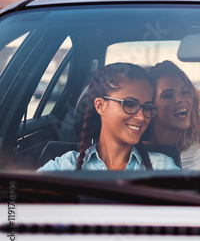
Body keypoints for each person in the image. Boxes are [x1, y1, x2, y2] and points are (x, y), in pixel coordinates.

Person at [38, 63, 179, 171]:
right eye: (129, 104)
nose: (141, 117)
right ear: (100, 106)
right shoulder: (64, 167)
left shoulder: (162, 167)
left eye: (147, 107)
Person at [146, 60, 200, 170]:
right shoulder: (133, 143)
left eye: (185, 92)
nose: (180, 100)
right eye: (168, 95)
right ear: (150, 105)